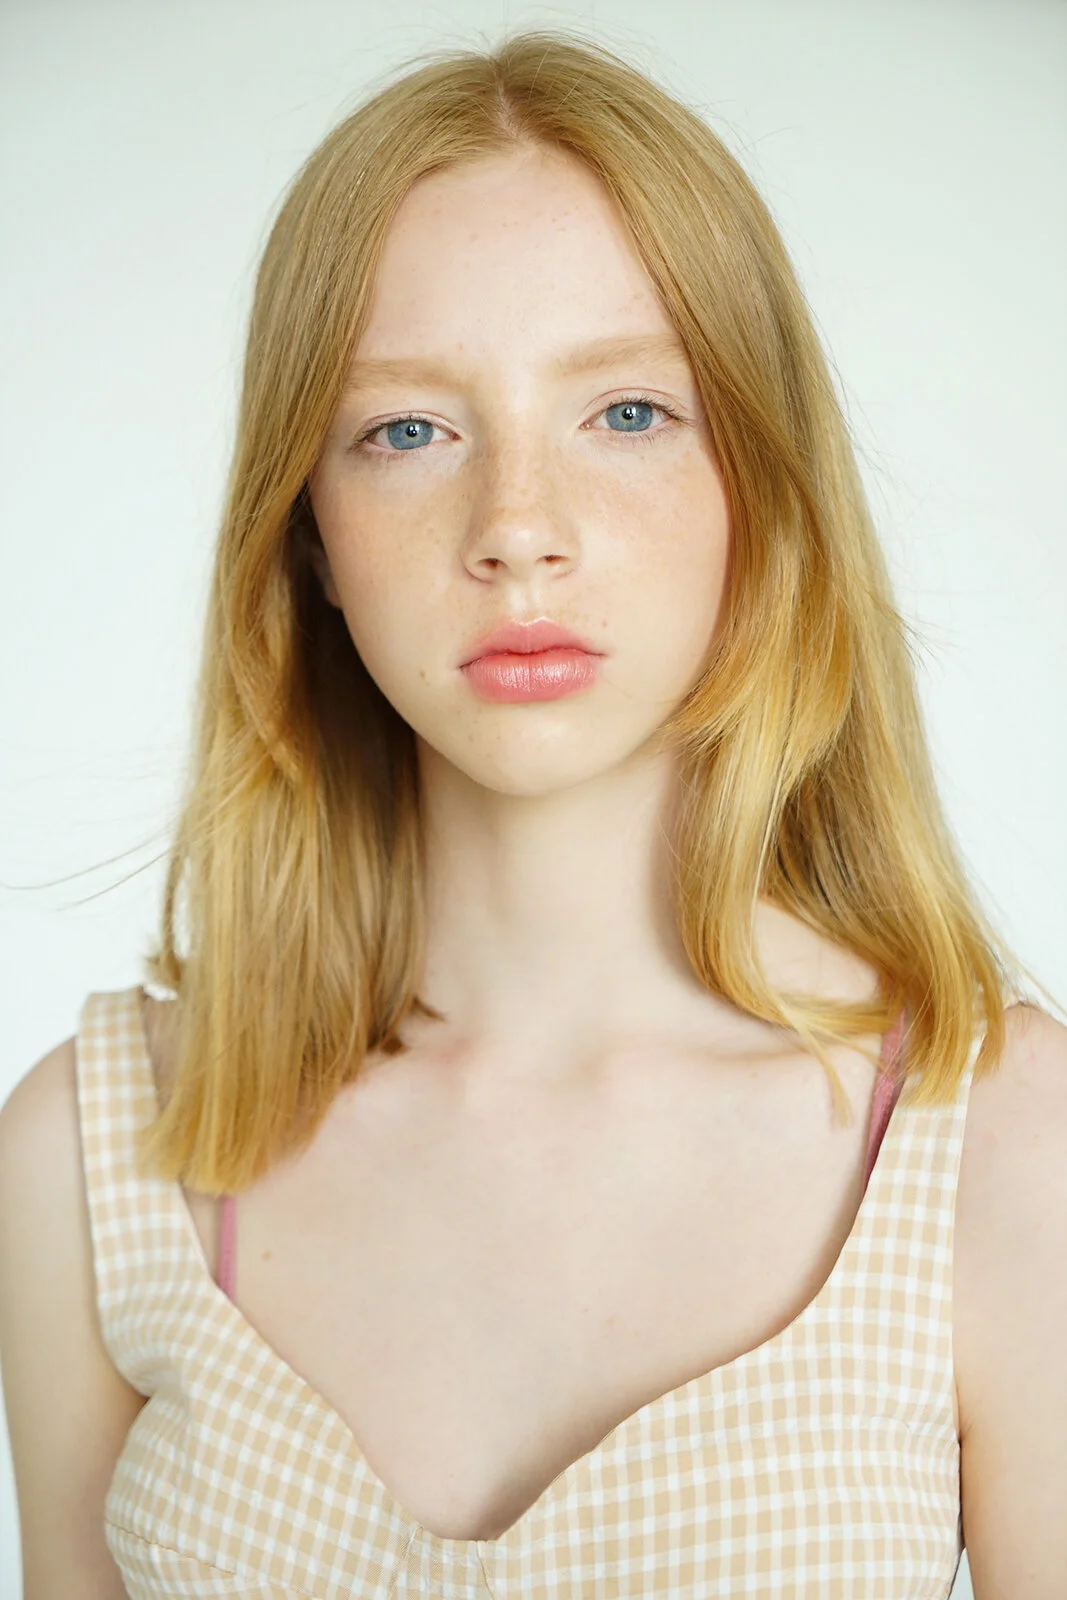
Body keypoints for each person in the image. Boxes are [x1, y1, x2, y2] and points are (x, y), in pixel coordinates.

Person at [1, 27, 1064, 1600]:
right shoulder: (95, 1155)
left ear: (761, 487)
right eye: (406, 430)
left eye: (625, 412)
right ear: (307, 533)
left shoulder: (1003, 1142)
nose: (517, 529)